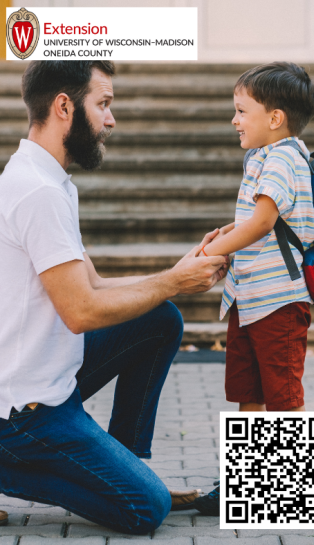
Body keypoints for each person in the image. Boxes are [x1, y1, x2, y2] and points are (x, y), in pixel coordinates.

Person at [0, 61, 229, 534]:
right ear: (64, 106)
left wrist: (176, 274)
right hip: (25, 412)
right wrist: (174, 281)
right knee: (145, 508)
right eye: (103, 104)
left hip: (49, 378)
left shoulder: (49, 181)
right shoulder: (36, 191)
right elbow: (82, 311)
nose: (111, 119)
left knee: (159, 318)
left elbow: (96, 286)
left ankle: (125, 461)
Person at [190, 62, 314, 516]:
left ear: (275, 118)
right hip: (249, 300)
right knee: (250, 391)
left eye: (241, 110)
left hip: (279, 301)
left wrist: (211, 256)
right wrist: (224, 233)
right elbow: (257, 219)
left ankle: (293, 493)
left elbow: (265, 222)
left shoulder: (286, 155)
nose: (234, 119)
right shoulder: (263, 157)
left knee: (282, 396)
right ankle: (250, 485)